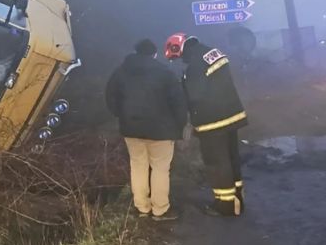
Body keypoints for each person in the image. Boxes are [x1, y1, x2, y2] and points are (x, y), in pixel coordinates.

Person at [165, 33, 247, 217]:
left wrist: (182, 88)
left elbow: (195, 95)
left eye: (178, 57)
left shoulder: (194, 66)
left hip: (212, 121)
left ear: (179, 47)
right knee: (231, 157)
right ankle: (237, 198)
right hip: (231, 115)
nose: (181, 61)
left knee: (216, 161)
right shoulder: (211, 53)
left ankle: (225, 204)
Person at [106, 39, 188, 221]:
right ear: (155, 54)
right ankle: (160, 210)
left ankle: (142, 207)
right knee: (160, 169)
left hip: (131, 129)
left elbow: (110, 97)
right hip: (162, 131)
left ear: (136, 51)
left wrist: (122, 115)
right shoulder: (166, 73)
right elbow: (179, 103)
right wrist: (179, 126)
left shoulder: (121, 72)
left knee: (137, 166)